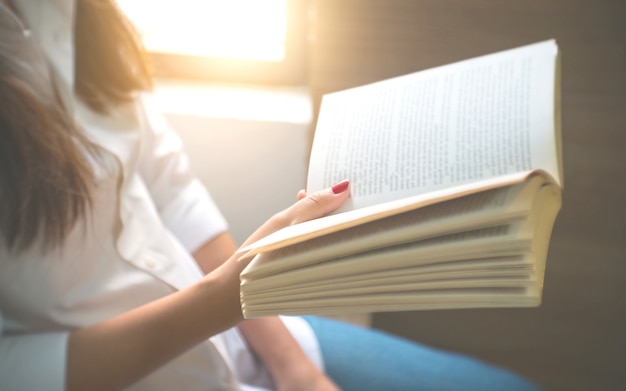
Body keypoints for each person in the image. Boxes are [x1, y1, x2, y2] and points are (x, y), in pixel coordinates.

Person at [0, 1, 542, 390]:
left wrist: (294, 368)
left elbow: (171, 191)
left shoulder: (73, 14)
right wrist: (226, 295)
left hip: (242, 337)